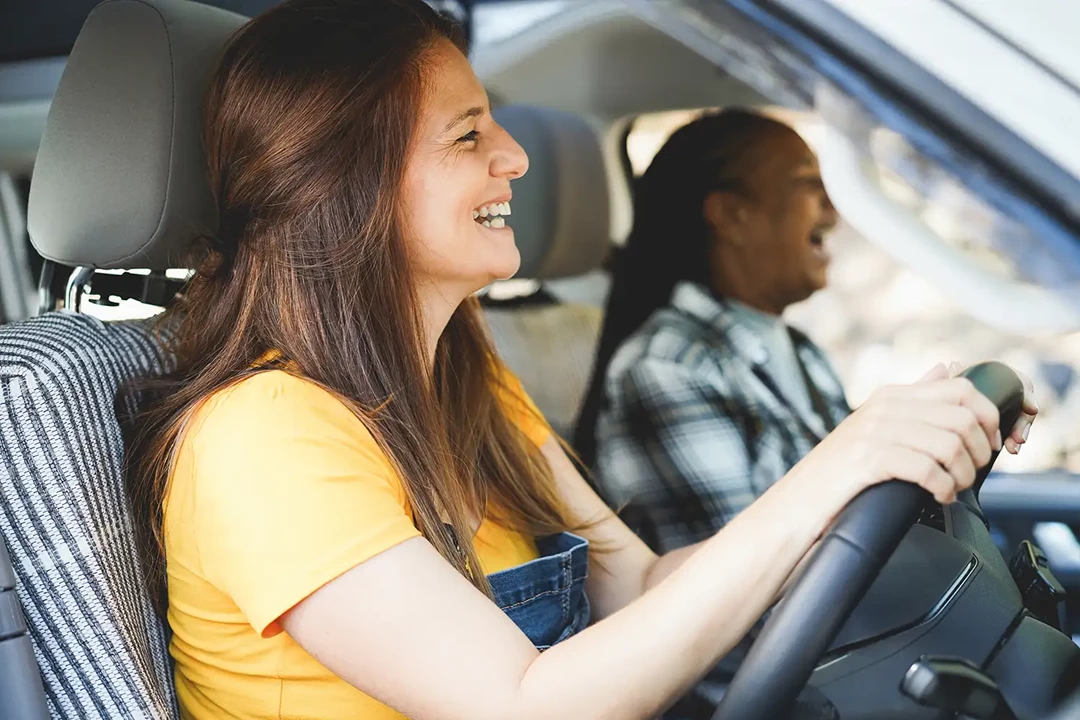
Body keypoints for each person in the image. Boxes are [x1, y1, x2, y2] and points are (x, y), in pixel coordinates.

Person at [124, 3, 1036, 719]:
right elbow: (526, 706)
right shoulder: (262, 441)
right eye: (469, 135)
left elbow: (638, 582)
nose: (515, 157)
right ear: (345, 185)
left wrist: (890, 450)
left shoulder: (462, 389)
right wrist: (844, 458)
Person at [576, 110, 852, 556]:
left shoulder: (800, 352)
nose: (833, 208)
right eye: (807, 182)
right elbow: (744, 589)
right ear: (731, 215)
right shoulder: (667, 368)